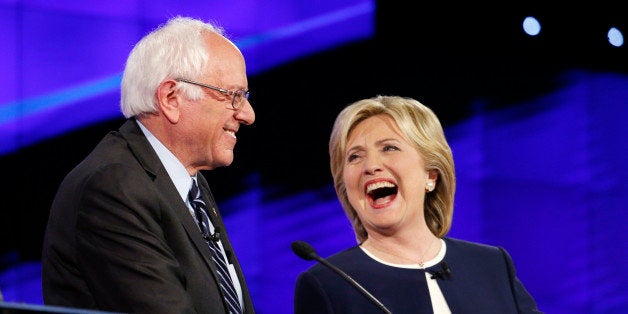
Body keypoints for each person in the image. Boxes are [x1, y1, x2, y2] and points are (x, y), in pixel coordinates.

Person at [42, 16, 256, 314]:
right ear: (171, 98)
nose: (248, 114)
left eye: (244, 97)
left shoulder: (187, 183)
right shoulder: (113, 188)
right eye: (232, 96)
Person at [294, 95, 541, 313]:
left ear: (431, 176)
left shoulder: (492, 265)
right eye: (354, 156)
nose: (371, 166)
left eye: (389, 148)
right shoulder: (328, 283)